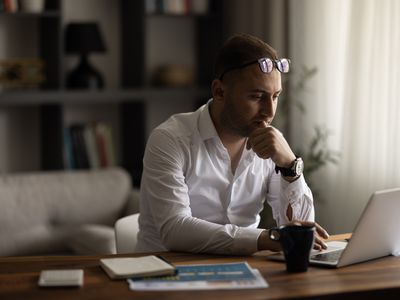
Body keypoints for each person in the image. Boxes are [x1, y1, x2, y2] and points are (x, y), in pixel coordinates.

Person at [136, 33, 329, 255]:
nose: (270, 111)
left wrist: (290, 166)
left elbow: (302, 233)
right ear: (219, 92)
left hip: (244, 273)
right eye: (257, 97)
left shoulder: (271, 144)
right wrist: (265, 238)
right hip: (167, 273)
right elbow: (174, 230)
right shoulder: (169, 140)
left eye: (275, 96)